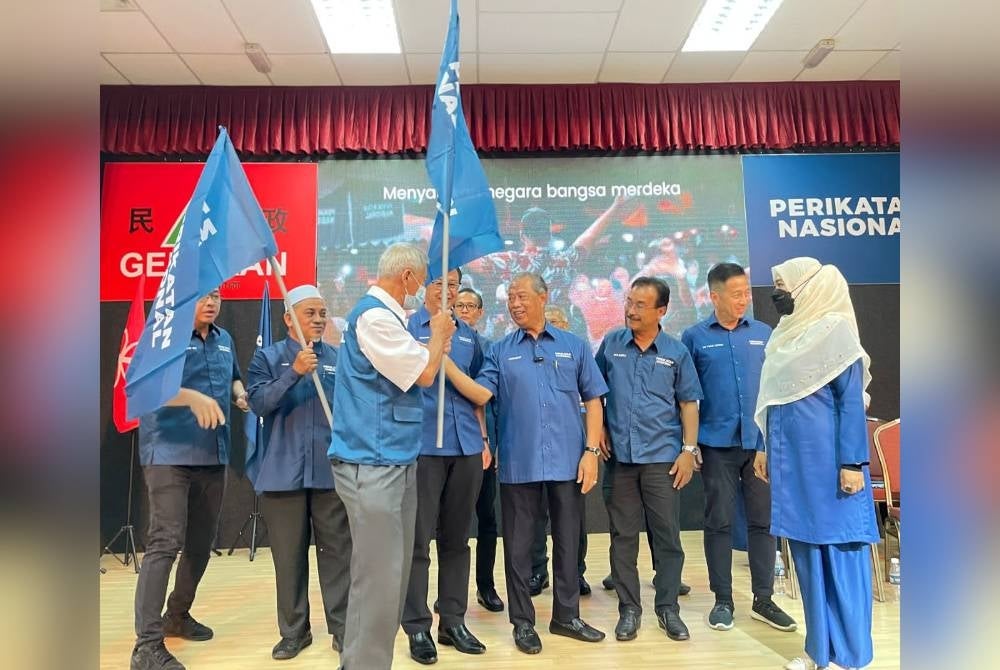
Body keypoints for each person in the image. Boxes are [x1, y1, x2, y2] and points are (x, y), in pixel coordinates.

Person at [446, 272, 608, 655]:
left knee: (569, 542)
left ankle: (566, 616)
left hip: (570, 461)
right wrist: (446, 366)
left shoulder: (574, 345)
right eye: (510, 299)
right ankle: (522, 623)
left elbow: (595, 400)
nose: (515, 304)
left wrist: (592, 452)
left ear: (542, 296)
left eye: (521, 296)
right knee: (518, 548)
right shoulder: (501, 350)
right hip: (519, 463)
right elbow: (482, 394)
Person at [328, 243, 456, 670]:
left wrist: (433, 343)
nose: (423, 289)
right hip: (373, 463)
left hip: (395, 459)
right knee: (378, 580)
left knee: (392, 578)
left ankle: (365, 661)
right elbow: (423, 373)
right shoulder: (375, 317)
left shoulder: (390, 319)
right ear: (406, 277)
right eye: (422, 280)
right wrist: (437, 336)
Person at [752, 257, 879, 670]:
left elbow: (850, 403)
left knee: (840, 555)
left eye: (783, 285)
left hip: (832, 468)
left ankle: (851, 656)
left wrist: (851, 462)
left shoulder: (836, 331)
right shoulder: (783, 337)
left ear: (807, 288)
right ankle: (819, 652)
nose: (778, 295)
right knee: (807, 557)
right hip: (793, 467)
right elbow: (772, 399)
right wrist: (764, 446)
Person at [130, 289, 248, 670]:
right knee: (165, 541)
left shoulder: (224, 339)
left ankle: (177, 615)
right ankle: (147, 646)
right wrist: (191, 398)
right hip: (169, 453)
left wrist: (240, 393)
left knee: (201, 543)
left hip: (212, 453)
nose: (210, 303)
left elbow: (231, 378)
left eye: (215, 296)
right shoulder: (162, 336)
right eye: (200, 296)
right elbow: (142, 389)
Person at [681, 263, 796, 634]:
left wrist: (771, 440)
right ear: (714, 296)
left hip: (759, 445)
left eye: (747, 292)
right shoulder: (694, 337)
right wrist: (690, 444)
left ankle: (764, 599)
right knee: (719, 522)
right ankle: (723, 600)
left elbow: (778, 388)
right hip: (715, 446)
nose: (745, 298)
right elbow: (686, 396)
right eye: (736, 293)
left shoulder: (765, 333)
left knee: (764, 522)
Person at [246, 284, 351, 660]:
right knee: (289, 558)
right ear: (289, 319)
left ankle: (342, 629)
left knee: (338, 552)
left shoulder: (339, 358)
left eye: (323, 313)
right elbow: (258, 402)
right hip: (281, 471)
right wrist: (294, 372)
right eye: (310, 313)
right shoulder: (268, 357)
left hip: (329, 471)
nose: (320, 319)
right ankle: (294, 632)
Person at [595, 277, 701, 643]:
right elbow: (594, 392)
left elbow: (689, 403)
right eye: (629, 302)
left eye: (641, 305)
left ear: (661, 310)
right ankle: (629, 609)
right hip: (621, 459)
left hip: (662, 459)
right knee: (623, 537)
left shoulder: (676, 351)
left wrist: (689, 451)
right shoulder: (611, 344)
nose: (631, 310)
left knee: (667, 536)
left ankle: (668, 608)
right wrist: (599, 431)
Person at [402, 269, 491, 664]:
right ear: (425, 285)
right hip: (421, 445)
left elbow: (482, 393)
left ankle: (452, 619)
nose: (448, 290)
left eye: (454, 284)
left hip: (466, 445)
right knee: (418, 541)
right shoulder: (405, 328)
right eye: (440, 282)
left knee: (457, 539)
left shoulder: (470, 335)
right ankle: (417, 626)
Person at [527, 304, 591, 597]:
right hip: (531, 448)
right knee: (536, 517)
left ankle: (576, 573)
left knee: (573, 519)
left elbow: (593, 398)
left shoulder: (576, 351)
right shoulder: (522, 354)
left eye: (558, 321)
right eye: (548, 321)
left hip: (568, 447)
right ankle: (538, 571)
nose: (552, 326)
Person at [455, 288, 505, 613]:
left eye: (471, 306)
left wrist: (496, 444)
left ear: (480, 312)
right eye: (459, 305)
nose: (464, 310)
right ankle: (451, 592)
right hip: (452, 446)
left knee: (487, 519)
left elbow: (497, 403)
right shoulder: (440, 345)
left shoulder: (491, 350)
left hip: (486, 448)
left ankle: (485, 586)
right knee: (452, 525)